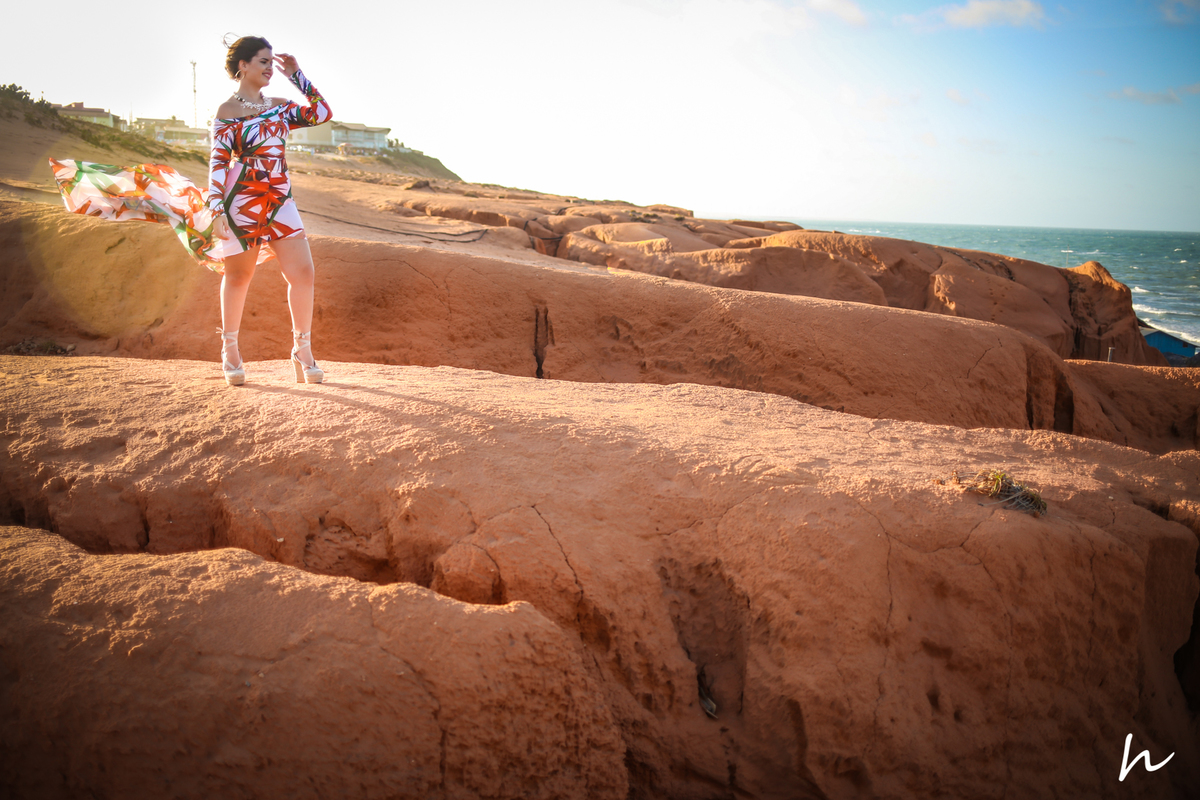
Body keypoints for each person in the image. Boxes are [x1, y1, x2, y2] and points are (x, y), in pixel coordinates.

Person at [48, 34, 332, 386]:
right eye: (264, 61)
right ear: (243, 66)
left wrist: (296, 75)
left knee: (303, 272)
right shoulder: (227, 112)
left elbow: (322, 113)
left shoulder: (280, 105)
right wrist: (218, 210)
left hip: (280, 198)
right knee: (239, 276)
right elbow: (218, 163)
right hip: (243, 199)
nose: (270, 68)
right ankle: (230, 350)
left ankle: (302, 350)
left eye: (272, 62)